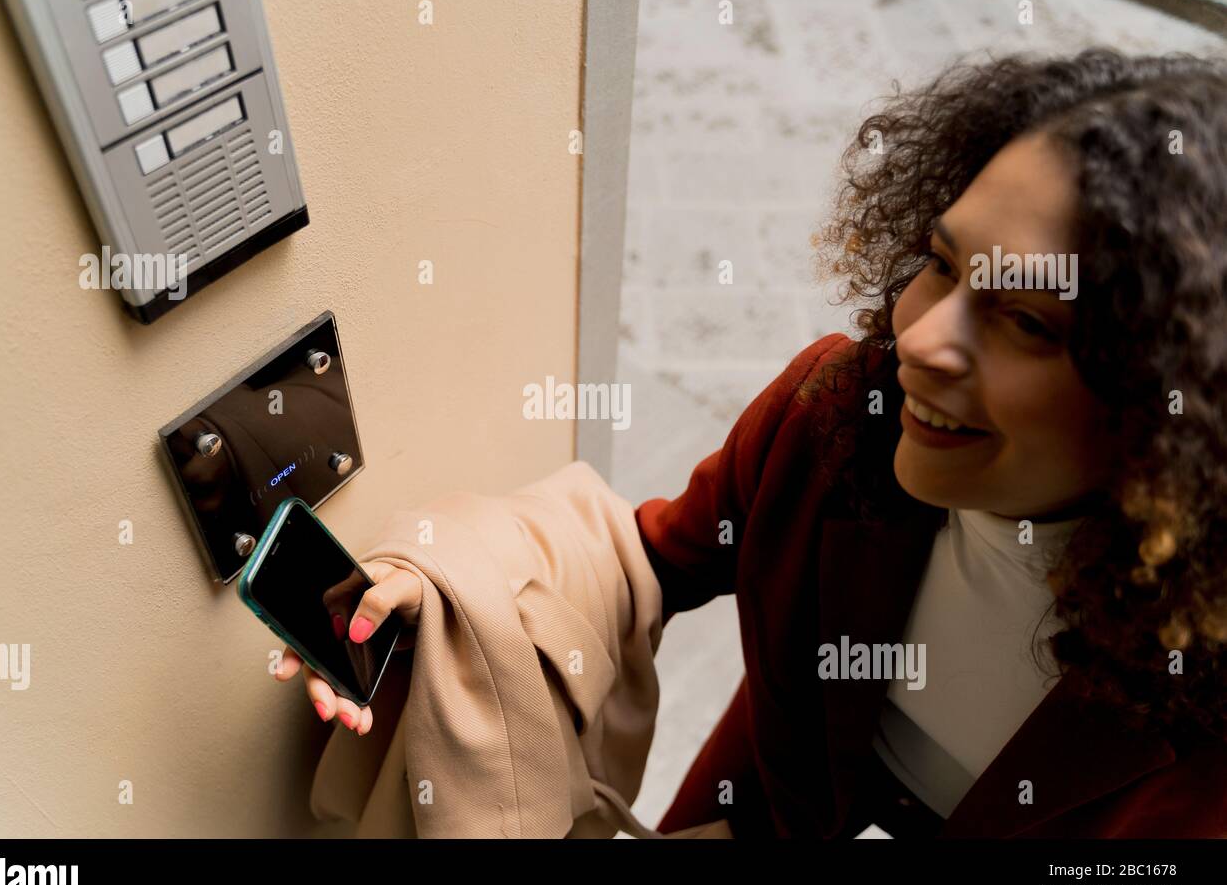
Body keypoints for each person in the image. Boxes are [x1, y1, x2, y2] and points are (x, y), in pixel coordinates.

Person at [276, 48, 1227, 837]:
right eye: (940, 264)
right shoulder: (840, 414)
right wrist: (443, 592)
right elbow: (649, 555)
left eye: (1024, 320)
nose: (923, 339)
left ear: (1164, 400)